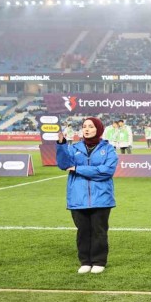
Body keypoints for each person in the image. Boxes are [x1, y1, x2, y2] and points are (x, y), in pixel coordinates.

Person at [56, 117, 118, 274]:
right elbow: (63, 164)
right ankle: (85, 261)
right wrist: (62, 145)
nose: (87, 129)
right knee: (82, 231)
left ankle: (98, 261)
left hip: (101, 198)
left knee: (99, 231)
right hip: (78, 197)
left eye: (91, 126)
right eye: (84, 126)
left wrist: (78, 169)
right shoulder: (73, 147)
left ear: (98, 128)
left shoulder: (109, 149)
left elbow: (106, 171)